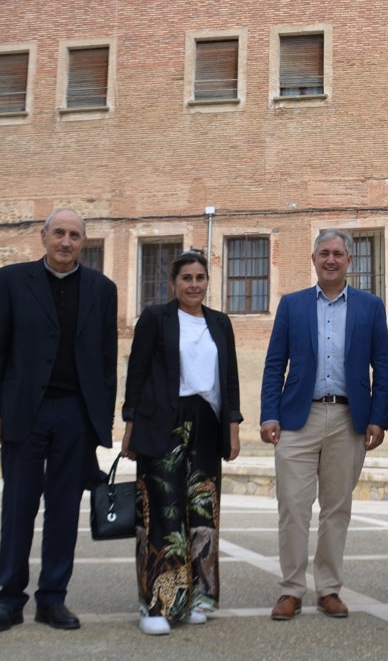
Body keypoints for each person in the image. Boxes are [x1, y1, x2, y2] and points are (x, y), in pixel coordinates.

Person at [0, 208, 117, 632]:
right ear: (43, 237)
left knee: (62, 510)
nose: (66, 241)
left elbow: (106, 362)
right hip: (24, 412)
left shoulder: (102, 289)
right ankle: (9, 599)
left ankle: (52, 599)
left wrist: (100, 422)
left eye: (75, 235)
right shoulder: (12, 280)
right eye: (59, 233)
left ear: (83, 242)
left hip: (74, 414)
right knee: (18, 507)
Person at [259, 229, 388, 621]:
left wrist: (378, 418)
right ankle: (291, 590)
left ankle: (329, 589)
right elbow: (273, 364)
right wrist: (269, 413)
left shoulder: (370, 307)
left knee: (337, 508)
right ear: (314, 259)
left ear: (350, 261)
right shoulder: (292, 305)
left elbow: (381, 367)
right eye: (324, 253)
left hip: (349, 418)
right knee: (293, 508)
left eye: (338, 253)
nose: (330, 259)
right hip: (298, 418)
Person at [121, 250, 243, 636]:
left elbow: (231, 379)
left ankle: (190, 598)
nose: (194, 284)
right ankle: (155, 604)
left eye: (200, 278)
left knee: (201, 511)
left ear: (208, 282)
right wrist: (129, 425)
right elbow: (136, 373)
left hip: (206, 424)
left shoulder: (220, 323)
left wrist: (233, 426)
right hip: (162, 424)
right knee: (162, 513)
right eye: (186, 278)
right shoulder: (156, 318)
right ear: (173, 283)